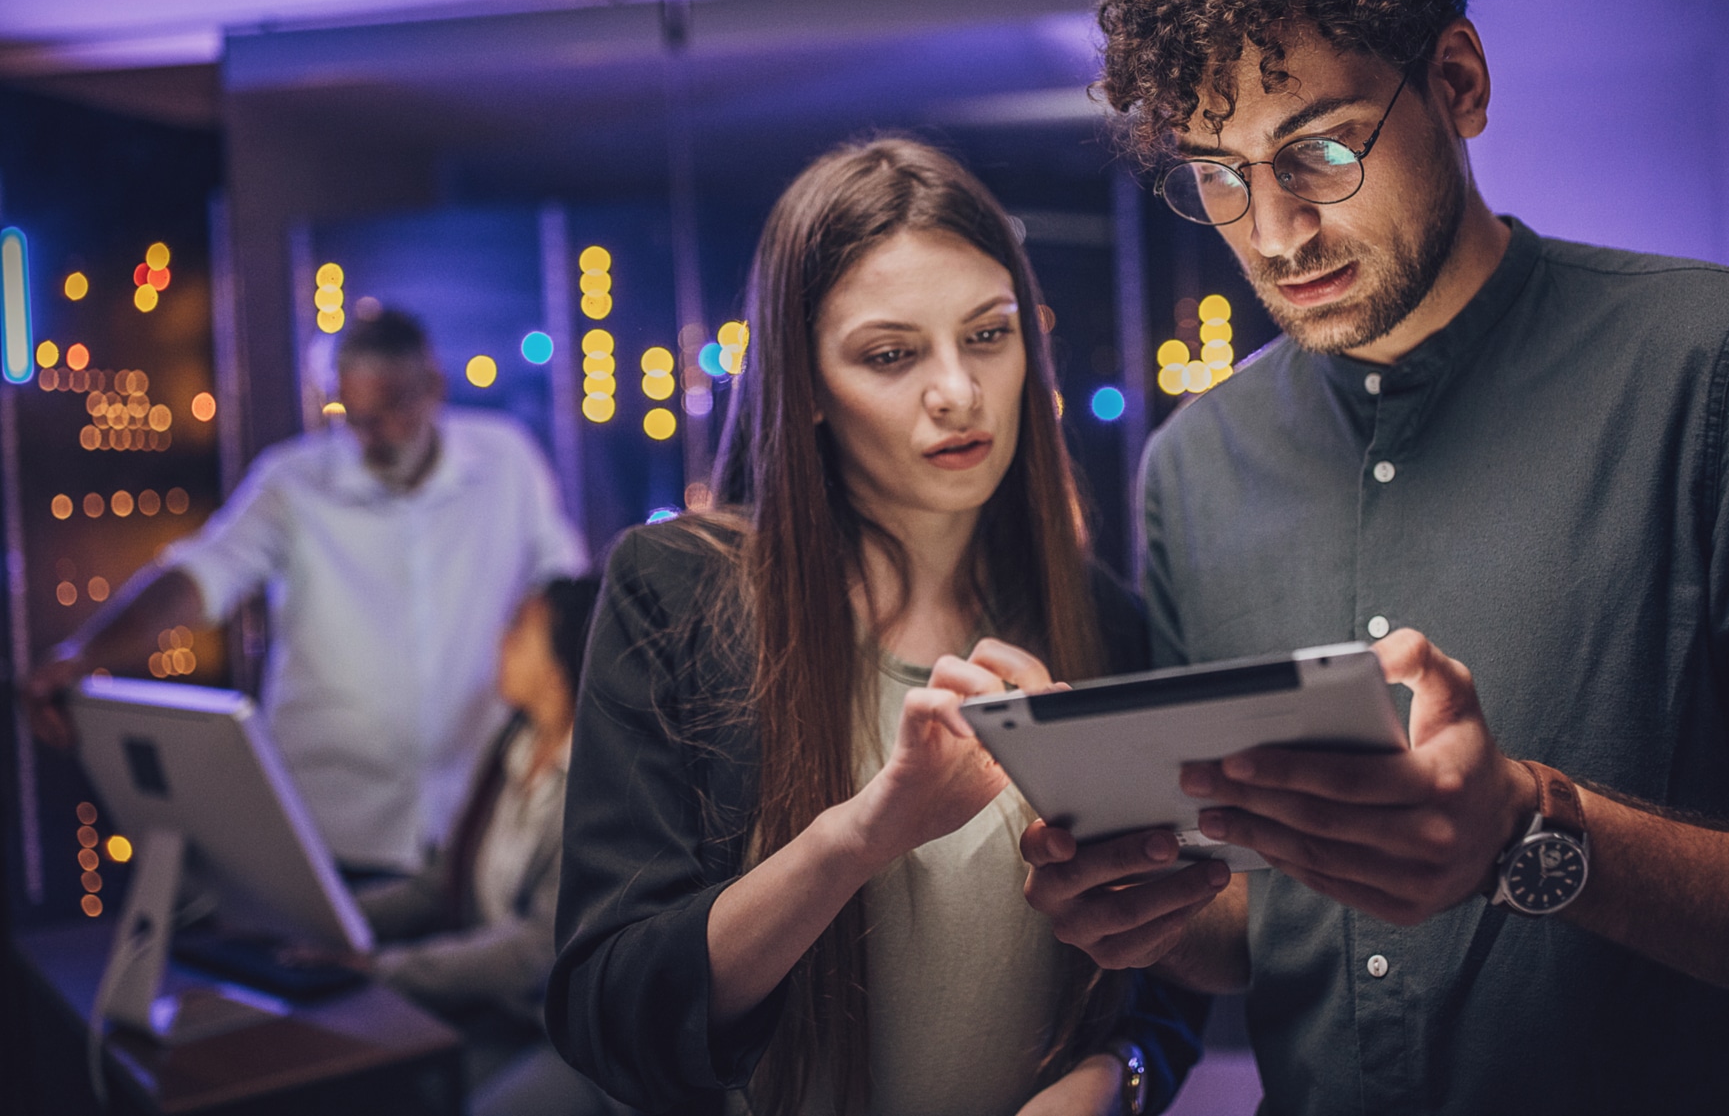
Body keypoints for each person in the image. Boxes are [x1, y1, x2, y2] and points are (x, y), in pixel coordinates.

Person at [1013, 0, 1729, 1114]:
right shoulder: (1194, 469)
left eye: (1320, 149)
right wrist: (1148, 909)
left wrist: (1531, 832)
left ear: (1458, 79)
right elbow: (1257, 921)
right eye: (1219, 177)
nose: (1273, 232)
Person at [548, 138, 1207, 1116]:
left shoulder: (1099, 618)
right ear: (805, 385)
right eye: (892, 356)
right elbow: (612, 1015)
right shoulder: (680, 593)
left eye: (988, 335)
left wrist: (1111, 1083)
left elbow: (1172, 969)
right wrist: (858, 836)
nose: (957, 390)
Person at [28, 309, 589, 873]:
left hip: (476, 819)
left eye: (390, 410)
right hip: (331, 826)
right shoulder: (292, 481)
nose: (369, 438)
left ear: (433, 388)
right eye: (355, 415)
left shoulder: (507, 460)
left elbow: (561, 589)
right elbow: (200, 576)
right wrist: (86, 654)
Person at [357, 576, 623, 1116]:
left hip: (572, 1036)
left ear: (562, 661)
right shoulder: (511, 744)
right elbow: (439, 885)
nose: (501, 641)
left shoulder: (604, 777)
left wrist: (381, 969)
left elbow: (538, 952)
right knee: (367, 1083)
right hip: (498, 1016)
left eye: (520, 632)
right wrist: (329, 912)